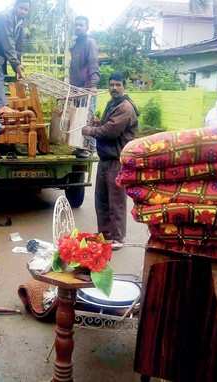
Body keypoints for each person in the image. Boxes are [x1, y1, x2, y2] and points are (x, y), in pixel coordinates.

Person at [82, 72, 139, 248]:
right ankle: (105, 234)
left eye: (118, 85)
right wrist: (98, 122)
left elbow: (111, 130)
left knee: (116, 200)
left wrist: (90, 130)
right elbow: (107, 125)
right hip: (105, 158)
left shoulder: (125, 107)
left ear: (124, 86)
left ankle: (117, 237)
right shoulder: (112, 103)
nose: (114, 88)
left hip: (117, 160)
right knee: (102, 199)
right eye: (111, 85)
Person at [69, 15, 100, 155]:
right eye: (76, 25)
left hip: (87, 86)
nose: (78, 27)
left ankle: (90, 148)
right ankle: (80, 147)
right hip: (76, 88)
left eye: (81, 25)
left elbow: (93, 63)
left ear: (87, 27)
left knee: (88, 117)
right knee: (78, 117)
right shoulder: (75, 45)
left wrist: (93, 84)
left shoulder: (90, 43)